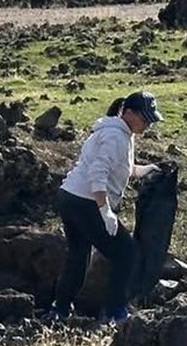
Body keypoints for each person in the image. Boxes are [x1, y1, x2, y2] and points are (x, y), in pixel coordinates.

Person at [51, 91, 162, 323]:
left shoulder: (120, 133)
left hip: (70, 196)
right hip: (86, 201)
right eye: (144, 119)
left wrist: (145, 169)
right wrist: (105, 211)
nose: (147, 125)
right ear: (128, 113)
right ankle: (115, 313)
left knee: (78, 256)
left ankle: (60, 310)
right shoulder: (115, 136)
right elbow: (98, 173)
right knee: (126, 253)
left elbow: (120, 167)